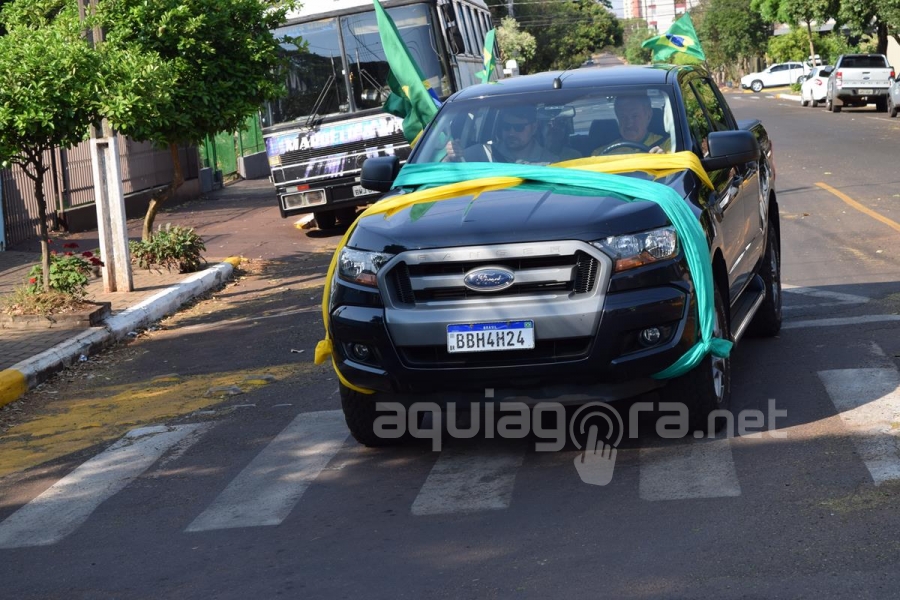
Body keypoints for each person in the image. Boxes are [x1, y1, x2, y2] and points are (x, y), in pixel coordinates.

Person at [445, 105, 558, 164]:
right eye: (506, 127)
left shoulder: (551, 162)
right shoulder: (482, 153)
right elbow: (444, 173)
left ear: (534, 128)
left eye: (519, 128)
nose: (511, 133)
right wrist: (451, 157)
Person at [592, 94, 671, 156]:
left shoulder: (668, 145)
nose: (629, 123)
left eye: (635, 116)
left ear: (648, 116)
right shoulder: (600, 154)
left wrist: (663, 160)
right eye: (623, 117)